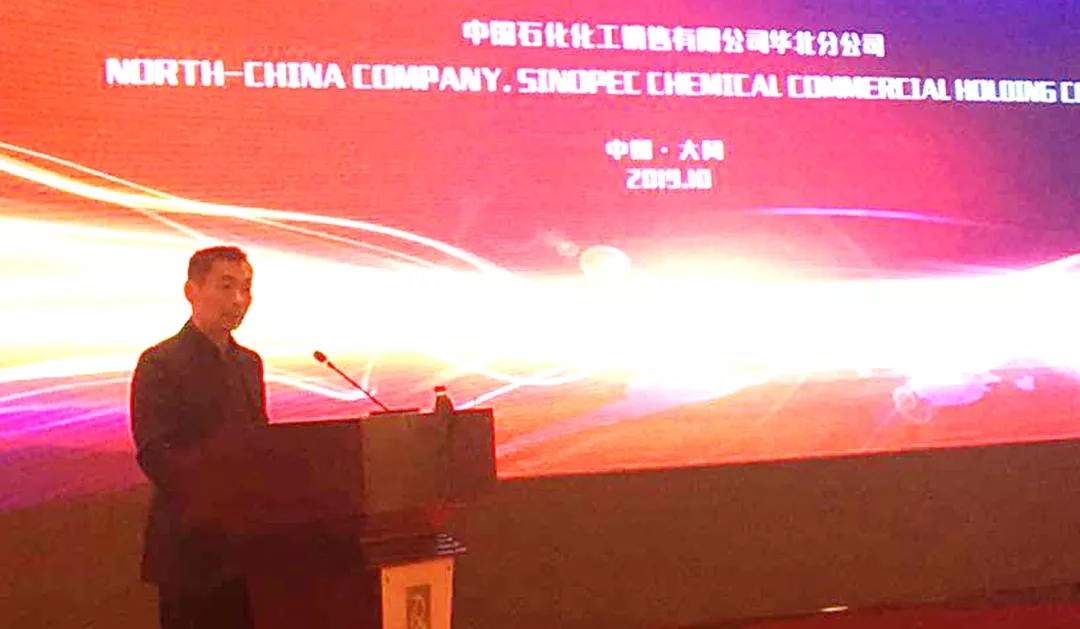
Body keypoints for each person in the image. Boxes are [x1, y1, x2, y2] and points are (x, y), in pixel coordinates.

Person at [130, 246, 269, 629]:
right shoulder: (160, 362)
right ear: (191, 291)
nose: (238, 300)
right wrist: (216, 494)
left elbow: (261, 441)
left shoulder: (248, 363)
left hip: (248, 547)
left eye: (246, 288)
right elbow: (154, 451)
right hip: (189, 547)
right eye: (226, 286)